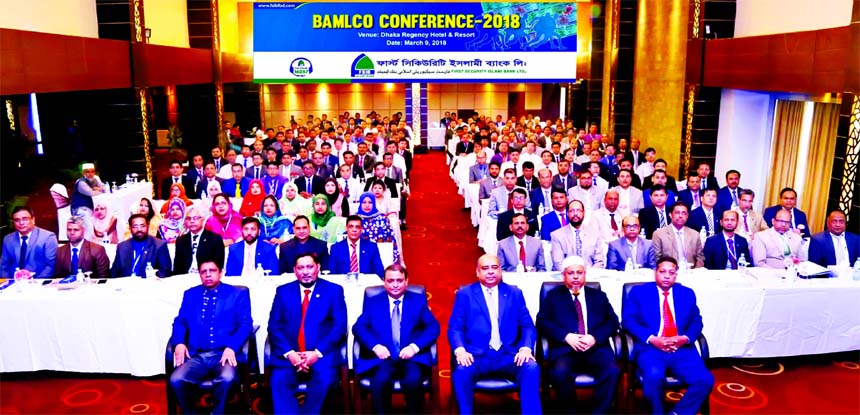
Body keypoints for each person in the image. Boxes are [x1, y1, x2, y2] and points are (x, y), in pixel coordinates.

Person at [448, 254, 542, 414]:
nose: (490, 272)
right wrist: (460, 350)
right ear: (477, 272)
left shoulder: (514, 293)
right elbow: (455, 327)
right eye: (485, 268)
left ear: (501, 270)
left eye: (495, 267)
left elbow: (527, 325)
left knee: (531, 368)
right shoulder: (465, 294)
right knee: (461, 372)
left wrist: (526, 348)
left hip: (508, 355)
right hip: (477, 356)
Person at [621, 257, 714, 415]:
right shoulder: (639, 293)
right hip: (650, 348)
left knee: (705, 380)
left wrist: (684, 338)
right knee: (654, 377)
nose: (666, 276)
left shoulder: (686, 293)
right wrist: (652, 339)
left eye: (671, 273)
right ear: (655, 273)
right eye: (662, 272)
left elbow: (696, 321)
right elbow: (628, 321)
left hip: (681, 348)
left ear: (676, 275)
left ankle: (678, 413)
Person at [536, 256, 620, 414]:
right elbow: (542, 321)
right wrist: (565, 336)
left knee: (612, 371)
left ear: (585, 275)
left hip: (596, 349)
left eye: (579, 272)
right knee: (559, 372)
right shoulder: (553, 297)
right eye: (571, 273)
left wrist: (594, 337)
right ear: (564, 276)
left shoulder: (598, 296)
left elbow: (613, 322)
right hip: (566, 350)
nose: (575, 276)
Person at [352, 264, 440, 413]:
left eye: (399, 280)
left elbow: (433, 327)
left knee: (414, 381)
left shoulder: (418, 300)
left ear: (406, 281)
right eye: (390, 281)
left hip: (411, 358)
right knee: (379, 382)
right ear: (384, 282)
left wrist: (414, 347)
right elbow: (358, 327)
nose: (395, 285)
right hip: (382, 359)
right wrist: (375, 346)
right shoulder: (373, 302)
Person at [169, 259, 253, 415]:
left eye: (212, 271)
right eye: (203, 272)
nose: (208, 275)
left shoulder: (237, 294)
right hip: (197, 355)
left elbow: (246, 324)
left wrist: (232, 347)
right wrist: (179, 343)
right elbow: (180, 321)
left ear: (220, 272)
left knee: (227, 378)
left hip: (224, 354)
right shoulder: (191, 294)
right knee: (176, 380)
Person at [268, 252, 348, 414]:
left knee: (324, 381)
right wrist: (290, 354)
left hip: (321, 355)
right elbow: (274, 326)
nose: (305, 271)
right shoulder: (283, 292)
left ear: (318, 268)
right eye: (301, 268)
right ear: (294, 270)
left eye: (309, 267)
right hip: (291, 356)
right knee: (278, 382)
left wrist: (316, 353)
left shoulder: (334, 291)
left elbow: (339, 327)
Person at [1, 206, 57, 279]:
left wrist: (35, 283)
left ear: (33, 220)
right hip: (13, 283)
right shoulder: (8, 239)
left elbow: (51, 266)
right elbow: (3, 265)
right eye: (17, 220)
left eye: (25, 219)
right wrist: (9, 282)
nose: (21, 223)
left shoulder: (48, 237)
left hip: (38, 282)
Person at [551, 200, 605, 271]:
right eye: (572, 211)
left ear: (584, 213)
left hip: (590, 277)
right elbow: (558, 263)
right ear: (567, 214)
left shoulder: (595, 234)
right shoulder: (557, 235)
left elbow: (599, 262)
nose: (575, 213)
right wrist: (573, 275)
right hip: (565, 277)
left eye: (578, 210)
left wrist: (586, 275)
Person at [173, 206, 225, 275]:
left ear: (202, 220)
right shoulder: (181, 241)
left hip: (206, 277)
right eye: (188, 218)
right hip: (184, 278)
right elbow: (177, 267)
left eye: (195, 218)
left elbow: (218, 265)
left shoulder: (215, 239)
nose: (192, 221)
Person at [652, 203, 705, 269]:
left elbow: (700, 258)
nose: (680, 216)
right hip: (669, 273)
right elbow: (656, 258)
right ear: (670, 215)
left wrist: (695, 272)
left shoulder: (695, 234)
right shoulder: (659, 234)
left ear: (687, 216)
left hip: (691, 273)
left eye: (684, 213)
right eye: (677, 213)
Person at [357, 192, 401, 265]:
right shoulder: (355, 219)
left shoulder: (382, 219)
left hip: (380, 255)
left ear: (374, 203)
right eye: (364, 202)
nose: (367, 205)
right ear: (360, 203)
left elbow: (390, 239)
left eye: (370, 202)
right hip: (359, 255)